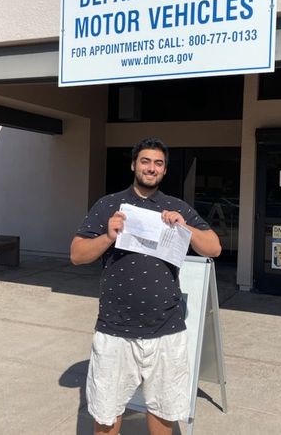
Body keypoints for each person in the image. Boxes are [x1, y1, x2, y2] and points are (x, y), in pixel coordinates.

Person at [71, 138, 221, 435]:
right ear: (133, 165)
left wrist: (185, 227)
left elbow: (214, 248)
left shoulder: (177, 207)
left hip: (165, 329)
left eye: (158, 163)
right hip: (114, 328)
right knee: (106, 415)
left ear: (164, 171)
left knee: (164, 412)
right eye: (145, 161)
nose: (151, 168)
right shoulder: (109, 205)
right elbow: (77, 255)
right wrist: (108, 236)